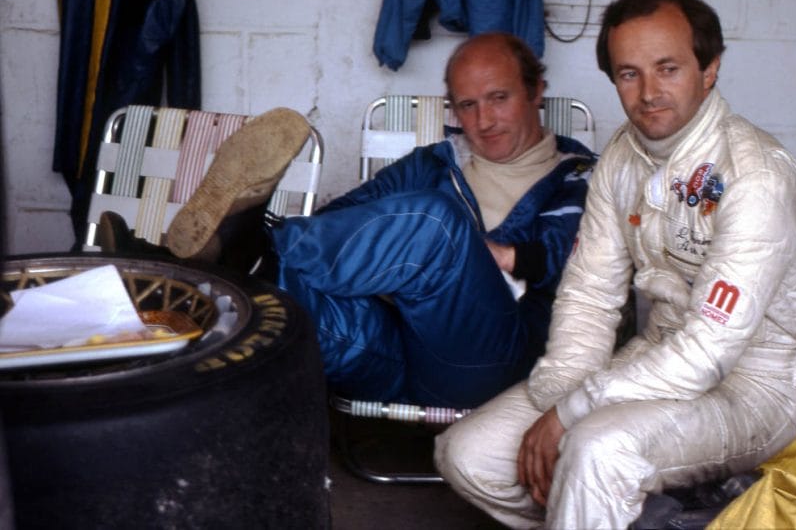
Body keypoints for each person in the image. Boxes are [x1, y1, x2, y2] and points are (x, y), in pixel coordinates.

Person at [435, 0, 796, 528]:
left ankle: (600, 505)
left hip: (751, 389)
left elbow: (708, 351)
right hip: (652, 358)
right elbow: (590, 294)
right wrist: (558, 397)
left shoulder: (755, 175)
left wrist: (573, 414)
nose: (648, 93)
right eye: (628, 74)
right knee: (467, 453)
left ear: (709, 69)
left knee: (596, 450)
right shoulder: (622, 155)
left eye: (668, 69)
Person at [104, 32, 597, 408]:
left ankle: (237, 252)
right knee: (277, 301)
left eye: (499, 98)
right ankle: (191, 274)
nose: (483, 120)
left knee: (437, 224)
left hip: (486, 363)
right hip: (388, 355)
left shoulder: (579, 175)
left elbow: (578, 260)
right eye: (467, 105)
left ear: (536, 91)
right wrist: (388, 265)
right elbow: (340, 223)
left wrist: (487, 255)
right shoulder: (431, 163)